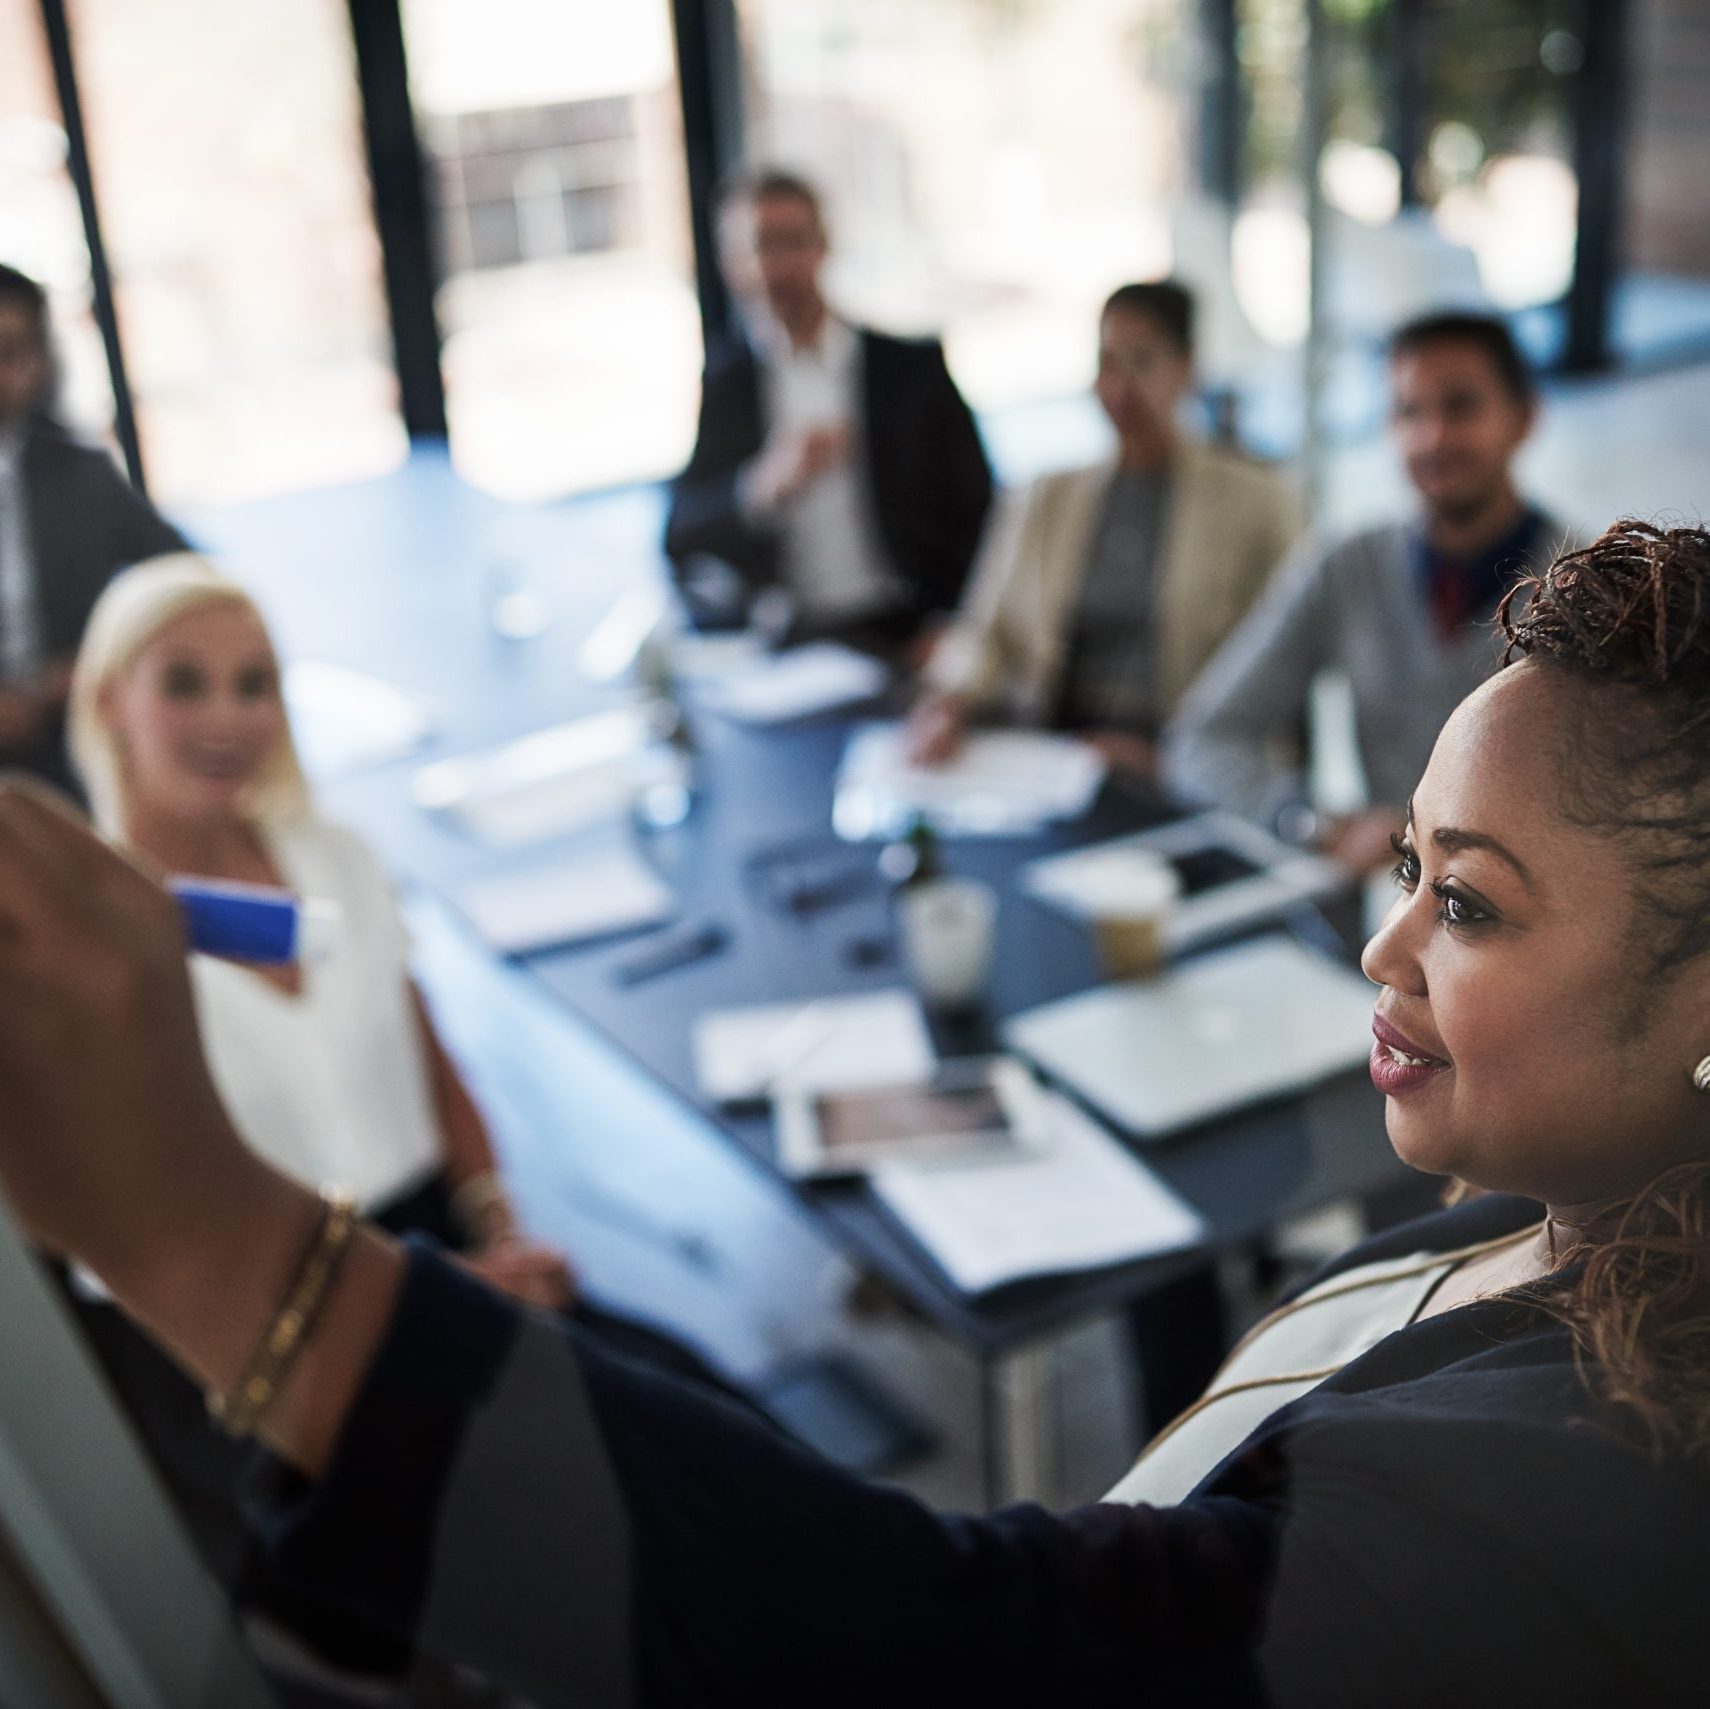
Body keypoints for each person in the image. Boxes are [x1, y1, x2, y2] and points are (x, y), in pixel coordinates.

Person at [4, 519, 1710, 1703]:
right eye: (1406, 864)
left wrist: (215, 1238)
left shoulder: (1582, 1492)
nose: (1381, 936)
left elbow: (949, 1657)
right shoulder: (1565, 1201)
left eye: (1469, 903)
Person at [58, 554, 763, 1657]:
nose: (229, 715)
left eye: (257, 683)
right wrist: (427, 1299)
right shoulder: (90, 965)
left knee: (720, 1432)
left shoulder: (333, 860)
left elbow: (430, 1060)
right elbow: (161, 1284)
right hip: (275, 1352)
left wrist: (498, 1223)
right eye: (185, 681)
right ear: (108, 702)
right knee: (597, 1551)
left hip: (441, 1245)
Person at [1165, 311, 1573, 872]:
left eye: (1460, 406)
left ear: (1524, 417)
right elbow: (1204, 739)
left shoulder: (1587, 590)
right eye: (1409, 412)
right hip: (1387, 907)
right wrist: (1307, 822)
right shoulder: (1346, 565)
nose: (1432, 438)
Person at [911, 281, 1300, 777]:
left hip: (1178, 762)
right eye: (1107, 364)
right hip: (1054, 753)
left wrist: (1168, 761)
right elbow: (986, 632)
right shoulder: (1047, 496)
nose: (1119, 389)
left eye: (1141, 362)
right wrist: (949, 703)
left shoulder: (1256, 501)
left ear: (1187, 368)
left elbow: (1277, 679)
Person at [663, 169, 993, 655]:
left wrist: (952, 622)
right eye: (759, 247)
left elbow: (979, 511)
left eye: (791, 243)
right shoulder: (728, 381)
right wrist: (759, 488)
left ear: (823, 246)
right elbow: (680, 533)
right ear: (730, 263)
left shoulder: (909, 369)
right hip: (793, 640)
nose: (776, 268)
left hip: (907, 627)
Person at [0, 262, 187, 790]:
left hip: (76, 739)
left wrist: (89, 664)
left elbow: (187, 584)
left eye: (8, 351)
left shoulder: (83, 476)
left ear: (37, 363)